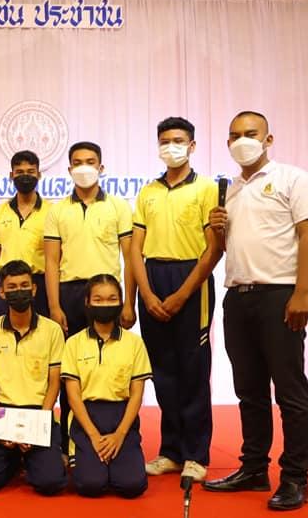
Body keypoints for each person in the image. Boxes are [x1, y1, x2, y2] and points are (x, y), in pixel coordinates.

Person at [203, 111, 308, 511]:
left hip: (279, 295)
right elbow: (229, 247)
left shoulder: (293, 179)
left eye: (250, 133)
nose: (242, 141)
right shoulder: (229, 190)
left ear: (268, 139)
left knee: (289, 391)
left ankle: (296, 478)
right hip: (238, 297)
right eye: (234, 135)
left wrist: (302, 291)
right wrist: (217, 229)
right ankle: (254, 468)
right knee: (248, 391)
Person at [129, 116, 222, 484]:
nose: (172, 147)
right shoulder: (148, 192)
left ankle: (196, 454)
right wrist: (147, 293)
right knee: (162, 370)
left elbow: (213, 249)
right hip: (154, 276)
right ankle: (170, 451)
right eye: (165, 141)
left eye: (179, 140)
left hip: (192, 279)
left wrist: (183, 293)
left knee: (193, 369)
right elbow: (135, 250)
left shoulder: (206, 189)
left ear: (192, 146)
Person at [45, 141, 136, 459]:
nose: (84, 167)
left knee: (109, 367)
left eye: (91, 161)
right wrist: (54, 306)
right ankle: (69, 444)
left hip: (107, 296)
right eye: (78, 162)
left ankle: (115, 437)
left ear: (101, 167)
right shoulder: (58, 210)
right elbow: (51, 261)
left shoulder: (118, 207)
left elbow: (130, 258)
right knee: (71, 371)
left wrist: (129, 302)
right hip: (70, 294)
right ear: (69, 169)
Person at [0, 260, 67, 496]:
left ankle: (28, 459)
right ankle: (14, 461)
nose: (18, 291)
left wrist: (39, 423)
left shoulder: (52, 330)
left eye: (24, 286)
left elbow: (54, 383)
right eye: (12, 287)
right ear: (2, 292)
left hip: (38, 411)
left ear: (34, 289)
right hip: (3, 411)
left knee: (50, 483)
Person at [61, 274, 151, 498]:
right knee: (90, 485)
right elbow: (73, 397)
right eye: (98, 300)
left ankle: (118, 461)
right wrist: (93, 436)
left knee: (132, 486)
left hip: (122, 416)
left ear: (120, 302)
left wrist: (120, 434)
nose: (105, 305)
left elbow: (137, 395)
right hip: (87, 416)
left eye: (112, 299)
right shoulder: (73, 343)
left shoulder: (134, 343)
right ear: (87, 303)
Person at [0, 150, 51, 319]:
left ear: (39, 174)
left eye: (30, 172)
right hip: (7, 282)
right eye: (20, 172)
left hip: (39, 283)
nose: (25, 176)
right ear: (11, 175)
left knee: (42, 330)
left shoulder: (52, 212)